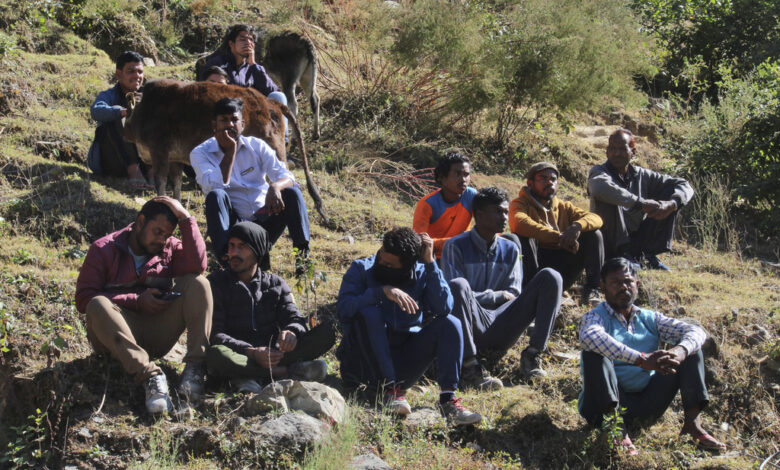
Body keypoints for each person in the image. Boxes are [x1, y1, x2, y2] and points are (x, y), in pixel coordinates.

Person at [75, 197, 212, 414]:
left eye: (167, 235)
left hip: (155, 334)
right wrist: (137, 300)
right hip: (115, 338)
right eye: (157, 232)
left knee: (198, 283)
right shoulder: (103, 249)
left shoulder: (169, 248)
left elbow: (198, 265)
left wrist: (186, 218)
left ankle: (194, 369)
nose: (162, 240)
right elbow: (84, 299)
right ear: (140, 221)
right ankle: (151, 377)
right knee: (97, 304)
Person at [578, 257, 726, 454]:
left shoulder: (649, 318)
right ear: (602, 286)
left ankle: (693, 425)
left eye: (628, 281)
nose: (623, 287)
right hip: (600, 407)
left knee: (691, 349)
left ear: (637, 285)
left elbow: (696, 332)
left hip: (646, 403)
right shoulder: (594, 317)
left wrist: (679, 352)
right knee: (594, 355)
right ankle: (617, 431)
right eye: (615, 282)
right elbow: (590, 338)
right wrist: (641, 359)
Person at [335, 227, 482, 426]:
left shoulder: (422, 272)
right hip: (363, 363)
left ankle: (448, 401)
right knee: (370, 312)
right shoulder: (362, 269)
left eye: (389, 265)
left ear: (408, 266)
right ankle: (388, 390)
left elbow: (444, 307)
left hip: (404, 362)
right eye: (381, 258)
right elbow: (344, 309)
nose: (381, 264)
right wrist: (381, 292)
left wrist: (430, 263)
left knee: (450, 322)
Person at [443, 187, 563, 387]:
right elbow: (453, 295)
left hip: (504, 321)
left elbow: (514, 293)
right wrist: (495, 296)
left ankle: (533, 355)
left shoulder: (511, 248)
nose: (505, 217)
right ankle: (470, 367)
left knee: (551, 276)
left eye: (506, 212)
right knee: (458, 285)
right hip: (472, 324)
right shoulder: (455, 246)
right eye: (498, 211)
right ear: (479, 215)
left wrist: (490, 297)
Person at [205, 222, 335, 393]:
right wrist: (251, 352)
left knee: (326, 333)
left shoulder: (276, 284)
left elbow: (294, 318)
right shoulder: (215, 282)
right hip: (240, 355)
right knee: (216, 354)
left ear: (257, 251)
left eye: (242, 247)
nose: (234, 253)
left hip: (274, 355)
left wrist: (291, 332)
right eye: (231, 246)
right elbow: (216, 334)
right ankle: (287, 372)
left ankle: (257, 375)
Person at [190, 97, 310, 272]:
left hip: (263, 218)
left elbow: (287, 175)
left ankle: (303, 260)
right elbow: (211, 187)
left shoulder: (257, 146)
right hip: (234, 224)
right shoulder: (201, 153)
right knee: (217, 196)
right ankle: (227, 261)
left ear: (243, 124)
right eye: (224, 120)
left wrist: (275, 187)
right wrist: (230, 154)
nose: (229, 125)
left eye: (234, 120)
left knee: (292, 193)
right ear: (214, 125)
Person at [588, 129, 694, 270]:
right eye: (613, 149)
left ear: (633, 152)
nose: (617, 153)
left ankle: (646, 255)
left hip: (635, 238)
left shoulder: (642, 175)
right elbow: (599, 189)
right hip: (609, 242)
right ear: (607, 151)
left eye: (622, 149)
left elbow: (684, 185)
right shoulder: (599, 172)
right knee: (609, 197)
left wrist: (672, 204)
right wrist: (640, 203)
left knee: (671, 193)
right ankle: (620, 256)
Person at [509, 162, 604, 304]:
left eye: (553, 179)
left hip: (562, 263)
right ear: (530, 183)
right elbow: (519, 223)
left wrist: (576, 227)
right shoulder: (520, 204)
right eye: (543, 178)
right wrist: (559, 237)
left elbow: (596, 218)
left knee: (593, 234)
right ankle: (529, 293)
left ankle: (591, 289)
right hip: (534, 266)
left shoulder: (563, 206)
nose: (549, 182)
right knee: (520, 239)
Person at [202, 24, 289, 137]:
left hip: (250, 111)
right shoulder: (218, 63)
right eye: (242, 39)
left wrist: (253, 65)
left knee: (279, 96)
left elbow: (272, 91)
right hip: (226, 109)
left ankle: (283, 139)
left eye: (251, 40)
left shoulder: (254, 68)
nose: (248, 42)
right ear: (231, 44)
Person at [88, 51, 151, 187]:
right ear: (118, 74)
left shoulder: (148, 94)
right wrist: (123, 112)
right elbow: (96, 111)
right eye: (131, 71)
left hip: (144, 160)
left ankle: (152, 172)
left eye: (140, 72)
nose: (137, 76)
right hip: (114, 160)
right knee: (118, 118)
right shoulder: (109, 95)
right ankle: (133, 171)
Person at [413, 151, 476, 260]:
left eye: (466, 174)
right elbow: (419, 243)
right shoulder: (427, 204)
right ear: (442, 177)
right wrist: (459, 242)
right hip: (433, 258)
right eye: (457, 174)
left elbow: (488, 227)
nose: (463, 179)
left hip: (462, 255)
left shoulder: (471, 196)